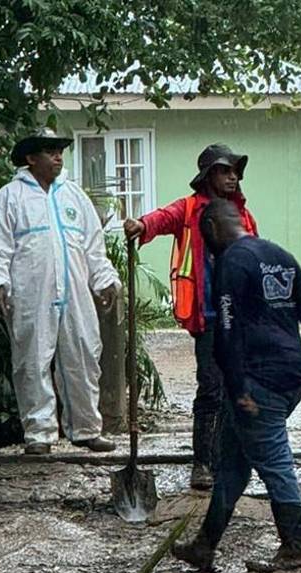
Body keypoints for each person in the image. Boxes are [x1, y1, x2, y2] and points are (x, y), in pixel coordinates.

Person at [171, 199, 301, 573]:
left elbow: (226, 330)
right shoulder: (279, 255)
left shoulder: (231, 262)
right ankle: (204, 545)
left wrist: (238, 386)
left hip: (259, 381)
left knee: (274, 461)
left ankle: (296, 547)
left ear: (211, 229)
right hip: (291, 374)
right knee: (233, 462)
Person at [0, 128, 122, 456]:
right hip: (32, 293)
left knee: (84, 355)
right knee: (32, 359)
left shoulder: (74, 196)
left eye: (60, 151)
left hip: (75, 291)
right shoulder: (10, 197)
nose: (58, 157)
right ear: (31, 158)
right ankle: (39, 434)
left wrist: (104, 280)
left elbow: (93, 248)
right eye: (50, 151)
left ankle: (86, 429)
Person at [124, 144, 257, 491]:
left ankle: (223, 459)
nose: (232, 177)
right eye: (225, 171)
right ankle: (201, 463)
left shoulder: (244, 215)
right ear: (209, 176)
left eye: (234, 172)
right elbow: (161, 218)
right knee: (211, 389)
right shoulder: (188, 210)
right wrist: (141, 225)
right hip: (209, 318)